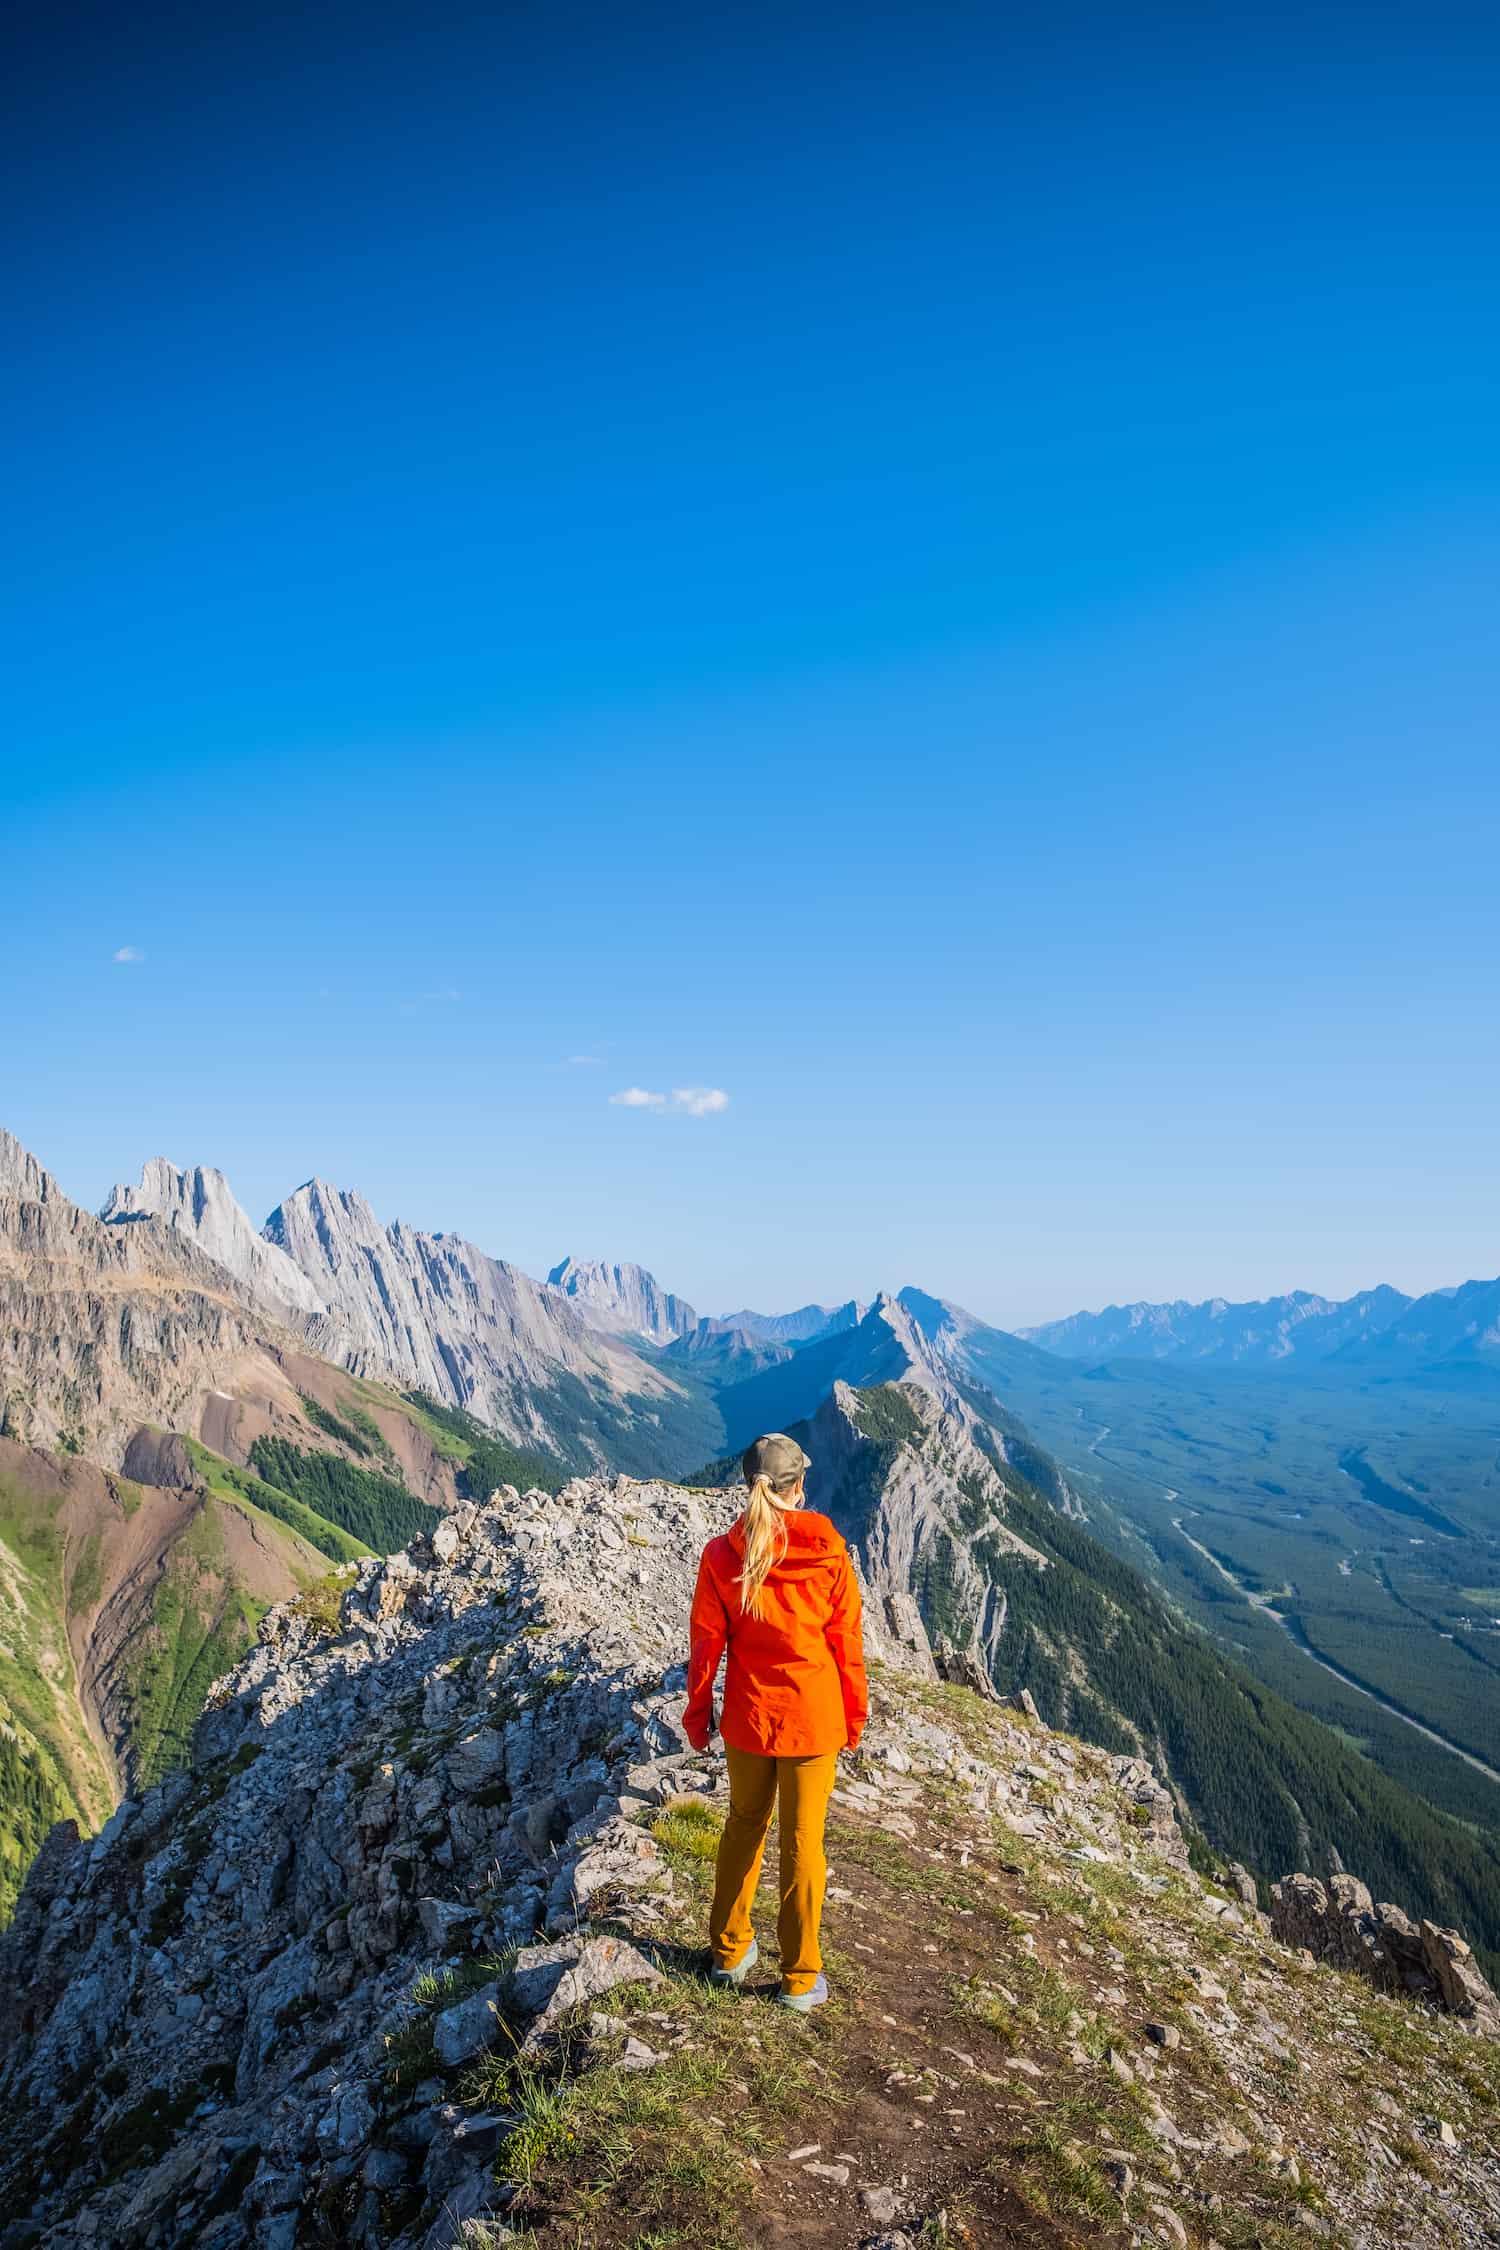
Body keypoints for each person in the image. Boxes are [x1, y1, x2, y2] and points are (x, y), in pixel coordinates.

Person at [682, 1430, 868, 2011]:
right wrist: (854, 1715)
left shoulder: (721, 1555)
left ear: (748, 1486)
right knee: (803, 1841)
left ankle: (729, 1952)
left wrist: (697, 1716)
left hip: (748, 1717)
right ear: (799, 1486)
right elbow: (847, 1644)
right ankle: (799, 1979)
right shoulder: (828, 1549)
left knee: (744, 1824)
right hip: (812, 1719)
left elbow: (706, 1645)